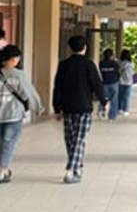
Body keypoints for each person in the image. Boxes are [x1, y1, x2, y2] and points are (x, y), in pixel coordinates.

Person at [52, 35, 107, 184]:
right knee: (79, 139)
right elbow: (97, 84)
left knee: (70, 139)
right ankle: (73, 169)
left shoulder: (63, 64)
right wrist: (104, 101)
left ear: (70, 48)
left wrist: (57, 107)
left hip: (68, 107)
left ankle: (75, 168)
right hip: (84, 107)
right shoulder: (89, 64)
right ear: (85, 48)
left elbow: (58, 87)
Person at [0, 45, 43, 183]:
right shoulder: (18, 75)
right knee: (8, 143)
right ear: (13, 59)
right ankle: (2, 170)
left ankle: (3, 170)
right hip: (13, 115)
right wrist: (38, 108)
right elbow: (29, 93)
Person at [99, 48, 120, 121]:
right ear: (112, 55)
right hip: (114, 83)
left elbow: (100, 72)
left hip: (104, 83)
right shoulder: (114, 63)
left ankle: (101, 111)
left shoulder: (101, 63)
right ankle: (112, 117)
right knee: (114, 100)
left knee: (103, 99)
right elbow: (118, 72)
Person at [118, 48, 135, 115]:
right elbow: (132, 72)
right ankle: (126, 110)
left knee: (120, 96)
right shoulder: (131, 64)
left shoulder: (120, 63)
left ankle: (119, 109)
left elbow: (118, 71)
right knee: (127, 97)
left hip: (120, 81)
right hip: (129, 82)